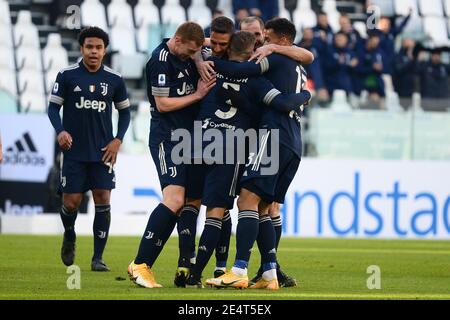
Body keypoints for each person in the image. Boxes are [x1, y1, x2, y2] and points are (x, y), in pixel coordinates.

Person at [184, 31, 311, 288]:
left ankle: (231, 270)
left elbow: (187, 43)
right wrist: (306, 96)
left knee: (235, 203)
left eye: (265, 37)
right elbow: (284, 97)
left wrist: (203, 60)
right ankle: (268, 273)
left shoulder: (228, 66)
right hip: (281, 141)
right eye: (259, 39)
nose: (262, 41)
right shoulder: (268, 76)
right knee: (263, 206)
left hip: (211, 142)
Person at [127, 22, 216, 289]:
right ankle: (140, 263)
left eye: (194, 52)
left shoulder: (189, 50)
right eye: (189, 52)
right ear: (177, 41)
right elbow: (163, 105)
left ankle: (180, 267)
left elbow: (210, 42)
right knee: (175, 198)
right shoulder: (160, 61)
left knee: (188, 202)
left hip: (191, 138)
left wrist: (199, 56)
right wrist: (198, 94)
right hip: (168, 137)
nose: (191, 56)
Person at [47, 26, 131, 271]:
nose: (94, 52)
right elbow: (53, 109)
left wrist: (118, 140)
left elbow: (125, 113)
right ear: (82, 48)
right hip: (74, 151)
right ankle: (70, 233)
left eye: (98, 47)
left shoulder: (114, 79)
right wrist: (61, 131)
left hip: (103, 151)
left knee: (103, 199)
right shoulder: (67, 75)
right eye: (89, 47)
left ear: (104, 50)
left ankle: (98, 258)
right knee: (71, 203)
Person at [322, 31, 358, 96]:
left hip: (347, 87)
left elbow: (356, 72)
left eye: (342, 39)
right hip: (331, 86)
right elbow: (324, 68)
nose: (339, 40)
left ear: (346, 40)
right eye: (338, 39)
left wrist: (354, 65)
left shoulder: (351, 53)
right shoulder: (329, 51)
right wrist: (337, 63)